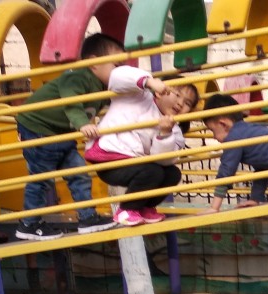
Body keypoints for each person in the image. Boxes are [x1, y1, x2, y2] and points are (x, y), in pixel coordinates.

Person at [13, 33, 122, 241]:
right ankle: (28, 223)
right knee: (41, 179)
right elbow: (71, 102)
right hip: (38, 128)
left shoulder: (103, 86)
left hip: (61, 135)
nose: (120, 71)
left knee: (79, 174)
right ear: (93, 63)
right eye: (116, 65)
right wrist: (83, 124)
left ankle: (88, 218)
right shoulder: (77, 77)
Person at [84, 67, 199, 226]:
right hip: (109, 157)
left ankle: (144, 207)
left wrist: (165, 134)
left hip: (135, 164)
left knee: (172, 174)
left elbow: (163, 160)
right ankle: (126, 210)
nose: (180, 103)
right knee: (152, 172)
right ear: (160, 92)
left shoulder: (175, 131)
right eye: (177, 94)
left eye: (187, 103)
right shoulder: (138, 96)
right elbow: (117, 76)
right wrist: (149, 81)